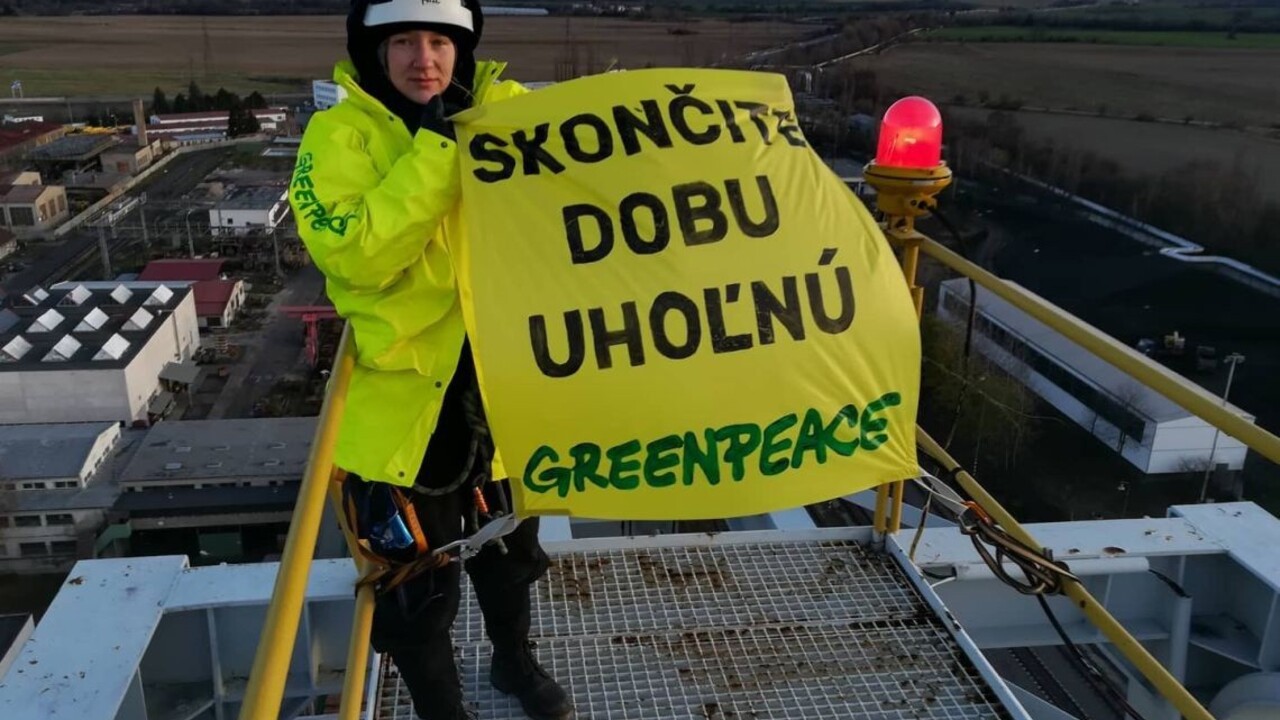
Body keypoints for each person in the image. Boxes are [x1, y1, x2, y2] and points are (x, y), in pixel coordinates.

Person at [290, 1, 574, 719]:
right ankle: (441, 712)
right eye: (405, 42)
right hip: (404, 410)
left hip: (501, 394)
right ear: (374, 51)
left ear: (463, 49)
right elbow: (357, 254)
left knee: (511, 557)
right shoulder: (340, 136)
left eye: (441, 41)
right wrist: (440, 150)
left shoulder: (502, 110)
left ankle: (513, 662)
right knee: (415, 584)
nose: (425, 59)